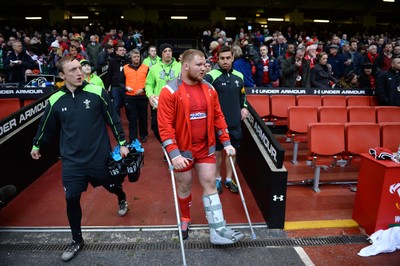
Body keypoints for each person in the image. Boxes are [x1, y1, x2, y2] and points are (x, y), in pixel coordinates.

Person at [30, 56, 130, 262]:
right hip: (72, 163)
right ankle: (77, 240)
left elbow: (113, 118)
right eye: (73, 70)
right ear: (62, 75)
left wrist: (122, 143)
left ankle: (121, 197)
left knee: (113, 186)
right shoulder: (55, 100)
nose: (79, 73)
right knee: (71, 198)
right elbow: (45, 126)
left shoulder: (97, 92)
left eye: (80, 68)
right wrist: (36, 144)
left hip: (99, 158)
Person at [158, 48, 244, 244]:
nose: (204, 68)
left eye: (205, 64)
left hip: (206, 148)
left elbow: (219, 117)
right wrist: (174, 154)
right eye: (199, 64)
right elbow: (165, 126)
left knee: (210, 183)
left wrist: (227, 142)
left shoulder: (209, 88)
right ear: (185, 66)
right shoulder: (169, 91)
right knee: (185, 185)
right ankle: (185, 219)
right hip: (183, 150)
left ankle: (218, 229)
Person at [204, 45, 249, 194]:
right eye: (222, 58)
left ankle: (229, 179)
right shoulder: (211, 76)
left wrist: (244, 107)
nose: (225, 61)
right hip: (216, 124)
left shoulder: (239, 76)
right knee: (217, 153)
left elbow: (243, 95)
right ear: (218, 59)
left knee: (232, 153)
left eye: (228, 58)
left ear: (233, 58)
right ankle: (217, 179)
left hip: (235, 122)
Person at [145, 43, 181, 143]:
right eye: (165, 51)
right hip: (159, 103)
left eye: (170, 51)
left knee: (175, 127)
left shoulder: (180, 66)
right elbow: (148, 84)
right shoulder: (154, 68)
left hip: (176, 103)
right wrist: (150, 95)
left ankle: (173, 148)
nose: (168, 53)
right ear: (161, 54)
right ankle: (167, 145)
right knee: (155, 127)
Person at [122, 49, 149, 143]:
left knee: (143, 117)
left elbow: (150, 83)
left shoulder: (146, 68)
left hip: (142, 96)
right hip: (130, 97)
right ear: (131, 58)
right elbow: (120, 82)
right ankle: (133, 137)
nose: (136, 58)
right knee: (132, 118)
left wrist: (143, 89)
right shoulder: (125, 68)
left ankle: (143, 135)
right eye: (134, 57)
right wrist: (126, 87)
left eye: (138, 56)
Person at [106, 44, 129, 117]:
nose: (122, 52)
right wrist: (106, 87)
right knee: (116, 105)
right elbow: (109, 74)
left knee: (128, 106)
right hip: (115, 86)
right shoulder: (112, 61)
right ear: (116, 52)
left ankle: (131, 121)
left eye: (123, 50)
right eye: (120, 50)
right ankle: (117, 123)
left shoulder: (128, 61)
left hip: (126, 86)